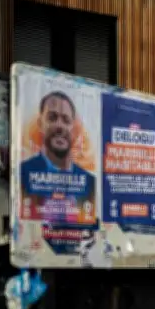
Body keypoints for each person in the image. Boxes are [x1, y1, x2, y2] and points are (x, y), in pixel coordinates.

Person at [19, 91, 96, 220]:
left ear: (73, 128)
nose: (60, 126)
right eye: (52, 118)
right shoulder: (23, 174)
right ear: (40, 124)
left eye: (66, 120)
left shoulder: (89, 182)